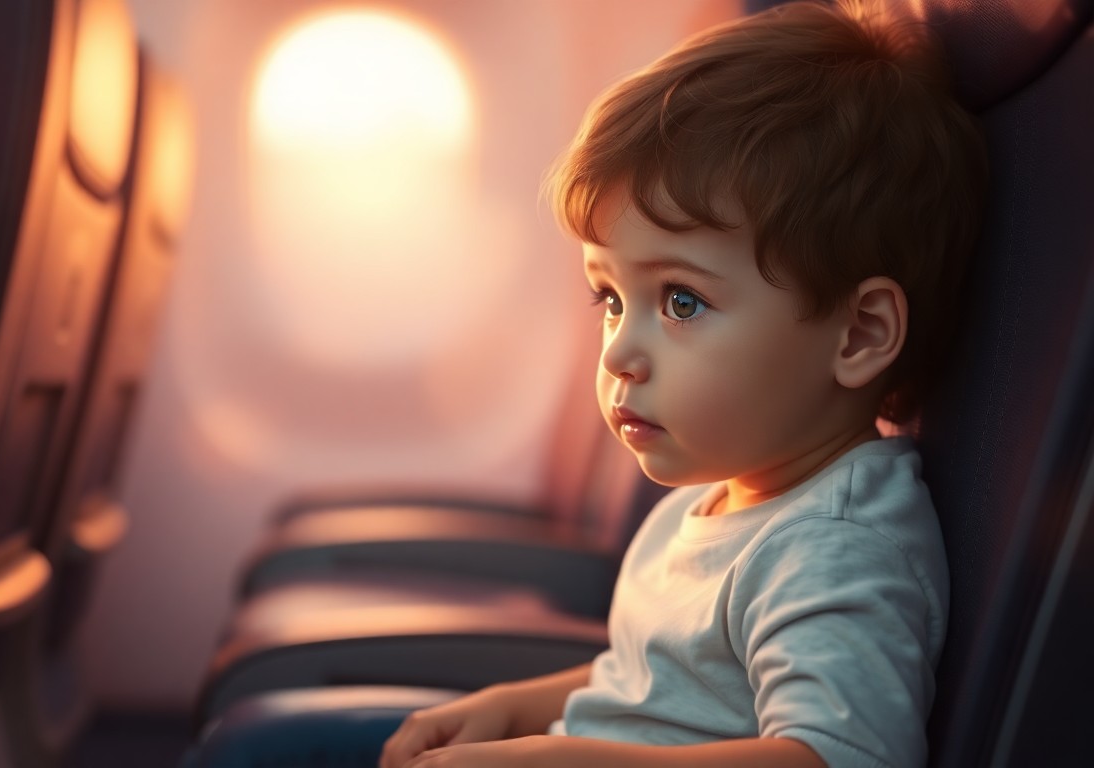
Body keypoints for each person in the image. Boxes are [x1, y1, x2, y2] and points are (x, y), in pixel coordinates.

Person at [379, 1, 987, 766]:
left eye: (681, 301)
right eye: (609, 298)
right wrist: (511, 710)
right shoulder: (713, 504)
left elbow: (838, 757)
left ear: (859, 333)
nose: (619, 353)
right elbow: (650, 690)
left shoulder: (833, 548)